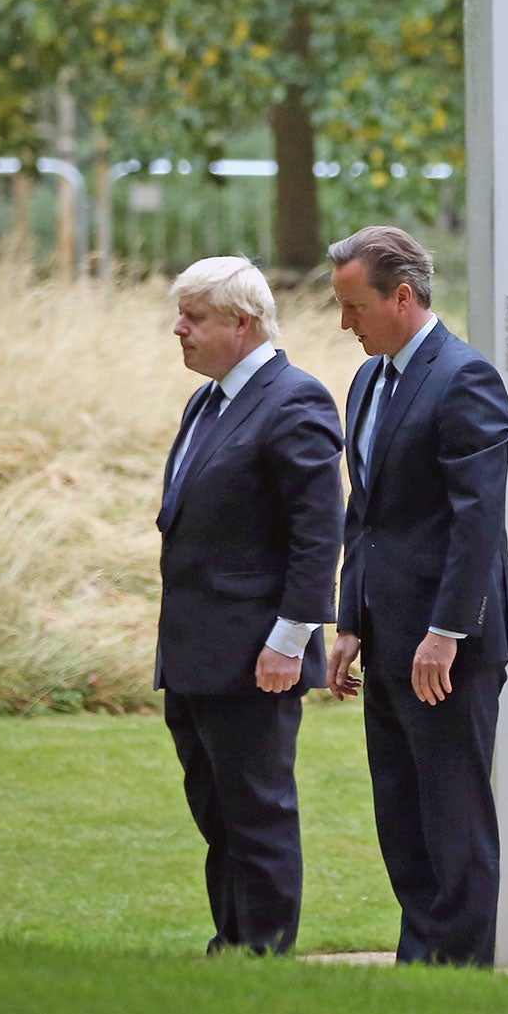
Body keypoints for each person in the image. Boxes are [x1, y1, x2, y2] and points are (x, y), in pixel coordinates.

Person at [325, 225, 508, 966]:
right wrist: (349, 621)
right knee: (401, 816)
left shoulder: (465, 378)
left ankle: (461, 984)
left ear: (401, 297)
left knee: (455, 821)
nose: (345, 324)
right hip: (386, 639)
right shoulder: (368, 381)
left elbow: (478, 521)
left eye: (354, 307)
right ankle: (420, 972)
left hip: (447, 652)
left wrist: (446, 632)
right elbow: (363, 511)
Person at [155, 256, 344, 956]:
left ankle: (261, 953)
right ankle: (230, 943)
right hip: (195, 650)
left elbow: (318, 532)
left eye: (194, 318)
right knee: (216, 811)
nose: (179, 330)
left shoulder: (295, 399)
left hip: (256, 655)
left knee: (256, 811)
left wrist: (290, 641)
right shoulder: (208, 401)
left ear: (242, 324)